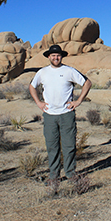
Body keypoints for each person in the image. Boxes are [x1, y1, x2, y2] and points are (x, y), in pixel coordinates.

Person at [29, 44, 92, 182]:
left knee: (69, 145)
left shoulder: (69, 71)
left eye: (58, 55)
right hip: (50, 115)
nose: (56, 58)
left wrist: (78, 101)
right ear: (49, 57)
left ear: (61, 57)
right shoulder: (42, 72)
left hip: (66, 114)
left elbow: (87, 83)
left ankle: (70, 174)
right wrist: (39, 103)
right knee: (52, 146)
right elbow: (32, 86)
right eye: (53, 56)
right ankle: (54, 176)